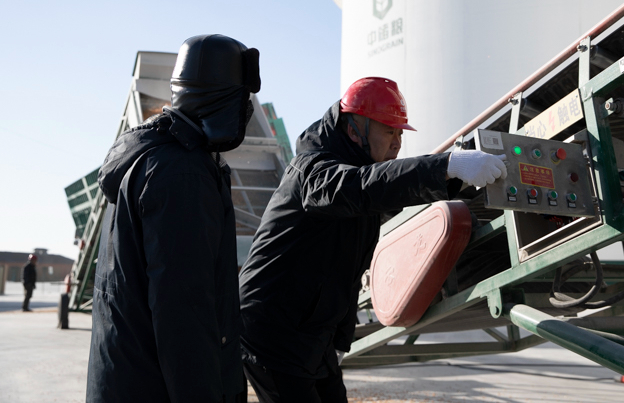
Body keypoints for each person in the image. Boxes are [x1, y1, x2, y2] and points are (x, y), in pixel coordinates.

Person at [238, 76, 507, 402]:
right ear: (354, 131)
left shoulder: (362, 187)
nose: (397, 143)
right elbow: (361, 186)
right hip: (272, 329)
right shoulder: (314, 171)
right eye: (389, 132)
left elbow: (348, 274)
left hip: (312, 333)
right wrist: (446, 166)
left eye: (400, 134)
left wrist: (340, 339)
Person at [86, 34, 261, 403]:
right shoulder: (183, 174)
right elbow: (184, 317)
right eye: (242, 97)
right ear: (223, 98)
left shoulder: (150, 157)